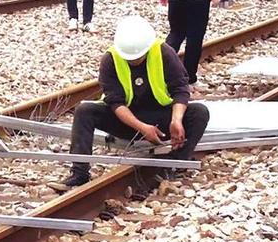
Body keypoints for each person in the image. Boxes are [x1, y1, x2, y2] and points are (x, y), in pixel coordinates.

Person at [62, 15, 209, 187]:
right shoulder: (110, 59)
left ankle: (174, 163)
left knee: (199, 112)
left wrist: (176, 120)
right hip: (127, 121)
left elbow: (180, 90)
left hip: (161, 119)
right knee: (84, 111)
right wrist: (141, 127)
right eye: (129, 59)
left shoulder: (164, 52)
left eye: (138, 58)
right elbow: (115, 102)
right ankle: (79, 171)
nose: (133, 61)